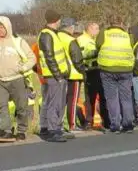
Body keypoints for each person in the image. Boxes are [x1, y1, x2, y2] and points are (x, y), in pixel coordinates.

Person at [0, 16, 36, 142]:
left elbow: (32, 58)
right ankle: (6, 131)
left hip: (17, 79)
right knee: (1, 106)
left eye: (2, 27)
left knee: (21, 107)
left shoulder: (18, 41)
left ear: (7, 27)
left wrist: (23, 67)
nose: (0, 29)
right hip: (1, 81)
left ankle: (21, 130)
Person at [97, 19, 136, 133]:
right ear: (121, 24)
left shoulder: (104, 33)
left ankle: (115, 125)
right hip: (125, 69)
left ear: (110, 23)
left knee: (112, 98)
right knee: (126, 98)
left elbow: (98, 45)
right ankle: (128, 124)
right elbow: (131, 46)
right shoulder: (128, 36)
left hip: (108, 69)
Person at [38, 10, 71, 142]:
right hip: (54, 75)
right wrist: (58, 76)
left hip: (57, 74)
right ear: (55, 20)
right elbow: (49, 57)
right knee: (54, 103)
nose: (60, 22)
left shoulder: (52, 34)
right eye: (59, 20)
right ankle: (52, 131)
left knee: (59, 103)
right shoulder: (47, 35)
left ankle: (57, 128)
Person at [58, 18, 87, 131]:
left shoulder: (56, 37)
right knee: (73, 100)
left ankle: (58, 124)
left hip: (60, 73)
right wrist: (83, 72)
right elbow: (77, 59)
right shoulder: (70, 40)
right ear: (70, 27)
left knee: (61, 100)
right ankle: (72, 124)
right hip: (73, 74)